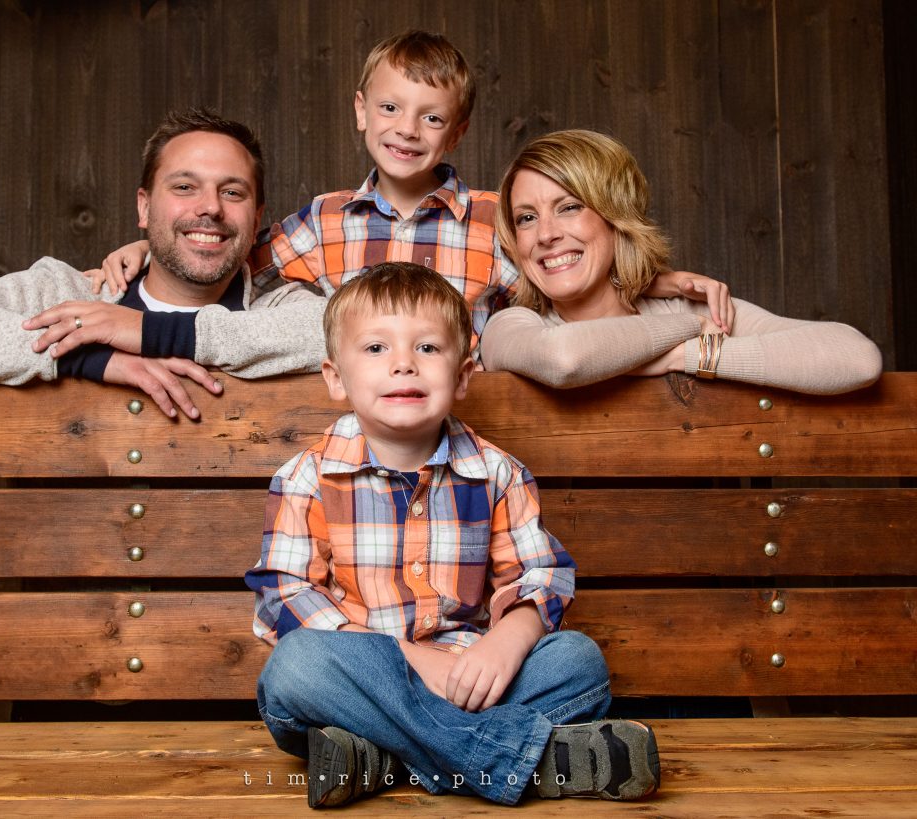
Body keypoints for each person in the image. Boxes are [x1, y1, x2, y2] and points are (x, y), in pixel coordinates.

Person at [244, 261, 661, 809]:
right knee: (296, 668)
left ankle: (385, 758)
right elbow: (285, 595)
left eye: (427, 348)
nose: (403, 364)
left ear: (462, 376)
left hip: (472, 677)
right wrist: (415, 662)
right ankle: (514, 759)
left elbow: (540, 575)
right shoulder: (307, 477)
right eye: (376, 348)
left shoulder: (496, 473)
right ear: (335, 377)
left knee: (576, 662)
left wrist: (505, 643)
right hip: (362, 678)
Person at [93, 32, 729, 358]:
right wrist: (144, 249)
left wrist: (656, 280)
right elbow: (219, 256)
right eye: (391, 108)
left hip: (478, 424)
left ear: (457, 132)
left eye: (431, 117)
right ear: (361, 111)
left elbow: (564, 277)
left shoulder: (496, 218)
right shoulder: (323, 221)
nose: (406, 130)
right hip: (350, 429)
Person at [0, 108, 327, 419]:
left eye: (232, 192)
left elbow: (341, 332)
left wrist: (148, 332)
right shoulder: (67, 296)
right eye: (184, 187)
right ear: (144, 207)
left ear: (256, 218)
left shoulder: (279, 308)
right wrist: (88, 356)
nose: (210, 207)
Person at [481, 129, 883, 393]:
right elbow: (565, 360)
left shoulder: (692, 310)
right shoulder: (511, 326)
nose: (545, 234)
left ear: (616, 218)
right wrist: (691, 329)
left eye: (569, 207)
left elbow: (857, 358)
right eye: (526, 218)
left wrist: (685, 355)